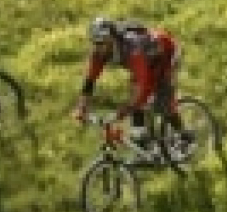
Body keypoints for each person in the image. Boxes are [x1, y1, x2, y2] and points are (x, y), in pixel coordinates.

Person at [71, 17, 188, 153]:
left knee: (162, 101)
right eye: (95, 43)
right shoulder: (98, 53)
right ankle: (142, 141)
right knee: (136, 100)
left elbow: (142, 86)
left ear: (112, 39)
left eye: (102, 43)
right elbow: (90, 81)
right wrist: (82, 107)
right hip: (147, 63)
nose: (98, 47)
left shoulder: (132, 48)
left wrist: (125, 110)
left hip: (167, 55)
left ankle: (183, 137)